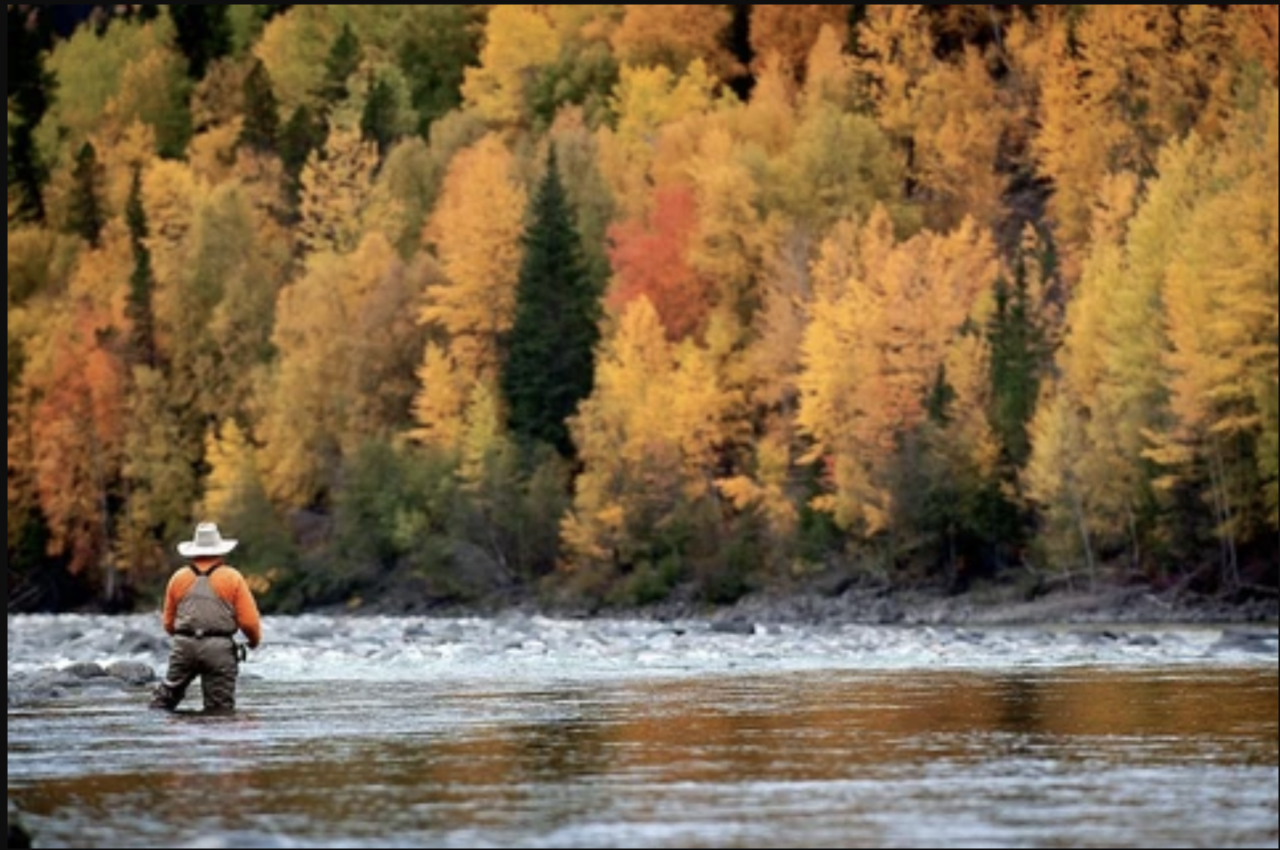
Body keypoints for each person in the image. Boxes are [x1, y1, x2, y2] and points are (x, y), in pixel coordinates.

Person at [150, 521, 262, 713]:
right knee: (220, 710)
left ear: (193, 551)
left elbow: (168, 624)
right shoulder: (232, 577)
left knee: (164, 702)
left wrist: (186, 640)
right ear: (221, 551)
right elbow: (249, 622)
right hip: (219, 649)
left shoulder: (178, 577)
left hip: (183, 646)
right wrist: (253, 642)